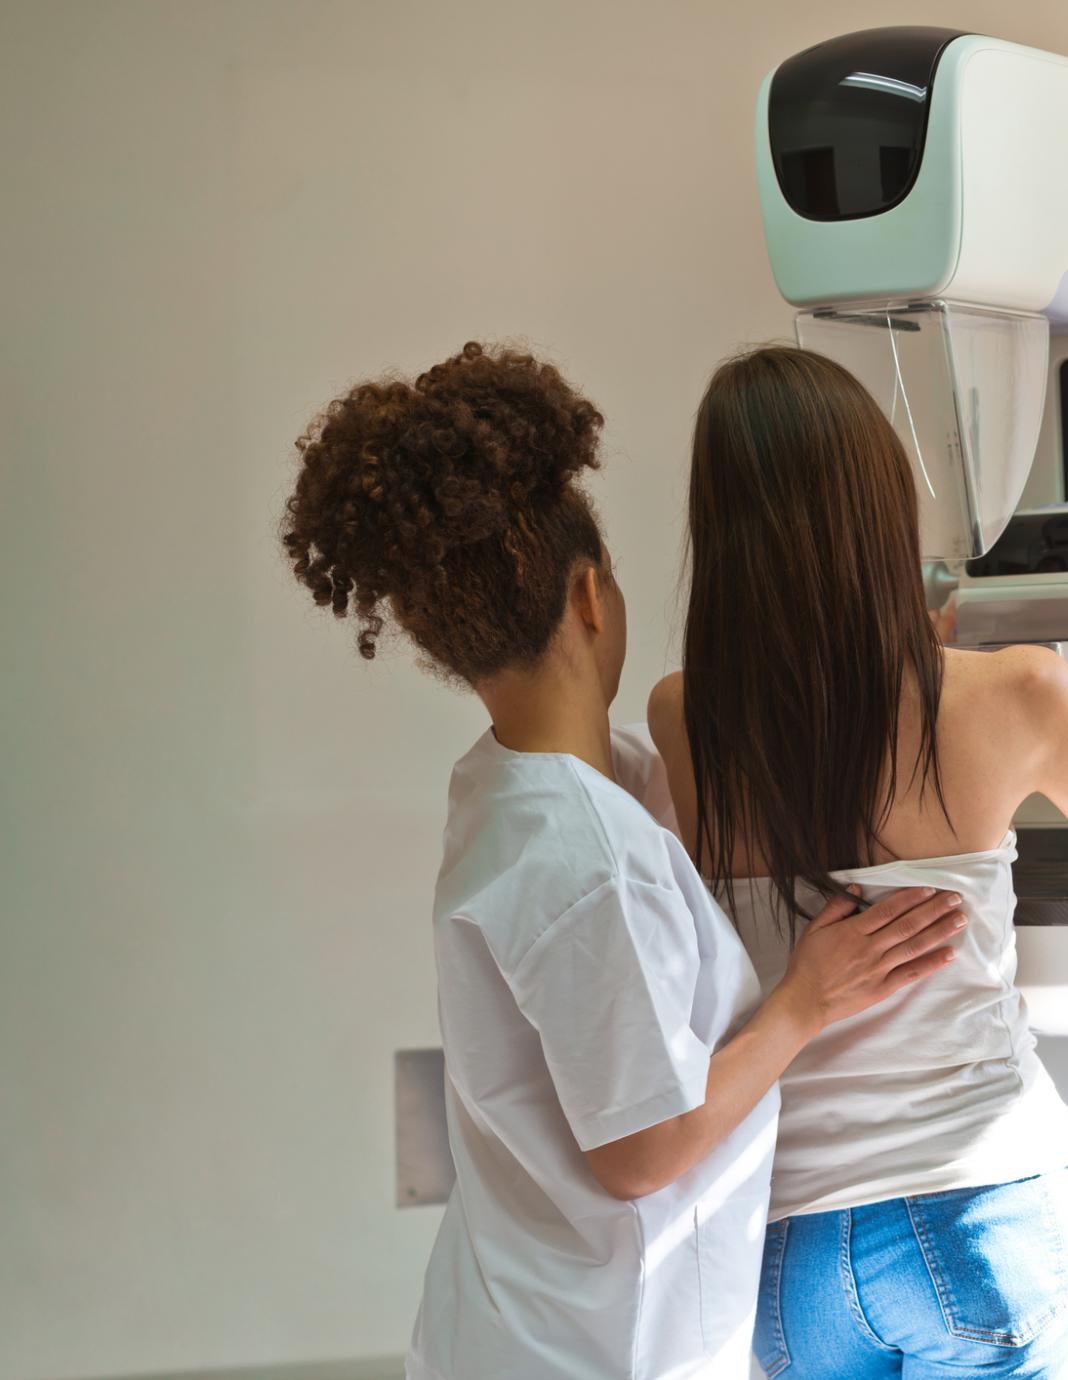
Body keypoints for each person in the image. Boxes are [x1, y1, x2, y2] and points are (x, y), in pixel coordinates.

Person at [279, 342, 965, 1380]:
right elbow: (641, 1151)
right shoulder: (586, 857)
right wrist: (805, 1001)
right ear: (591, 596)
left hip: (518, 1324)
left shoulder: (507, 790)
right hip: (596, 1350)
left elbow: (659, 810)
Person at [648, 345, 1068, 1379]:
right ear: (876, 515)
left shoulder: (682, 716)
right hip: (984, 1220)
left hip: (792, 1259)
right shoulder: (1014, 694)